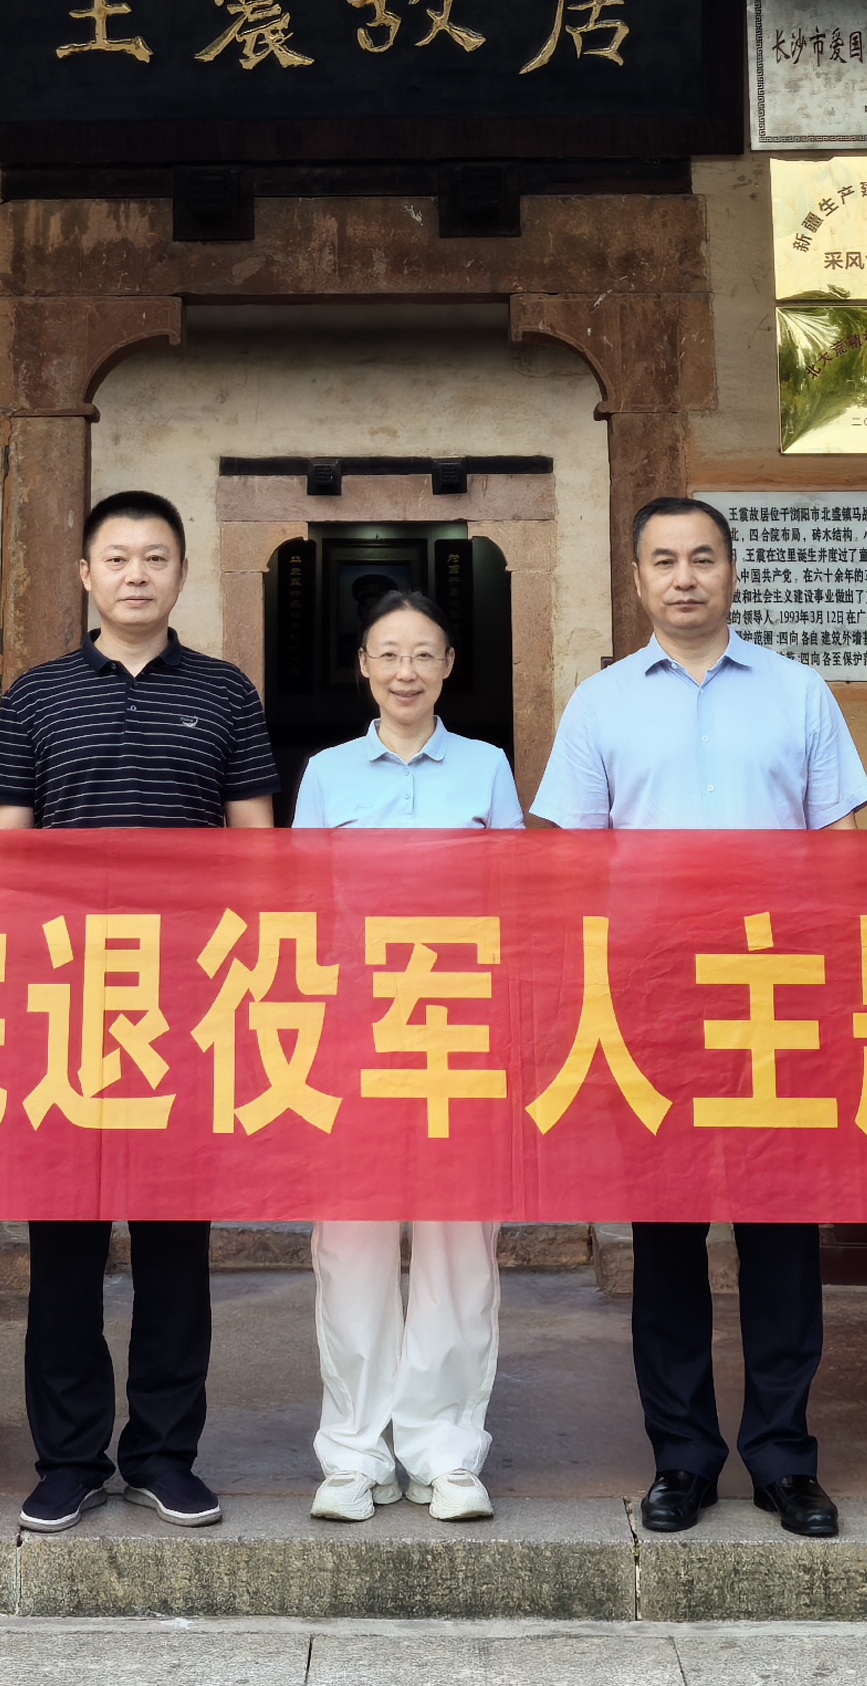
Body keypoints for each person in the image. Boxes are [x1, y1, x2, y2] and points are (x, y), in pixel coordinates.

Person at [534, 494, 867, 1542]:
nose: (685, 578)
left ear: (732, 571)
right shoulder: (599, 704)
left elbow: (841, 853)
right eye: (665, 561)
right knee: (668, 1237)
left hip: (777, 997)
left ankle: (783, 1457)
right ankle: (680, 1457)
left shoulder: (800, 692)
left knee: (781, 1238)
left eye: (703, 558)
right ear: (637, 578)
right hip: (654, 1004)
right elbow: (572, 867)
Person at [0, 490, 278, 1532]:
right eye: (117, 557)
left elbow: (256, 855)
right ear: (85, 575)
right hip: (64, 1004)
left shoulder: (226, 692)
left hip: (185, 1009)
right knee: (63, 1246)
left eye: (155, 557)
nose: (136, 574)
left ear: (181, 574)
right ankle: (68, 1457)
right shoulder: (37, 696)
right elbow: (5, 856)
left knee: (173, 1247)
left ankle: (161, 1453)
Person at [290, 587, 526, 1526]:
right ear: (363, 666)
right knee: (351, 1244)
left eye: (424, 653)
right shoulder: (326, 773)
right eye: (388, 653)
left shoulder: (486, 767)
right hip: (354, 1031)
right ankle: (354, 1453)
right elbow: (301, 908)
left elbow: (519, 898)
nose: (405, 672)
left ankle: (446, 1453)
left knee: (457, 1243)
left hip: (460, 1031)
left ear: (449, 666)